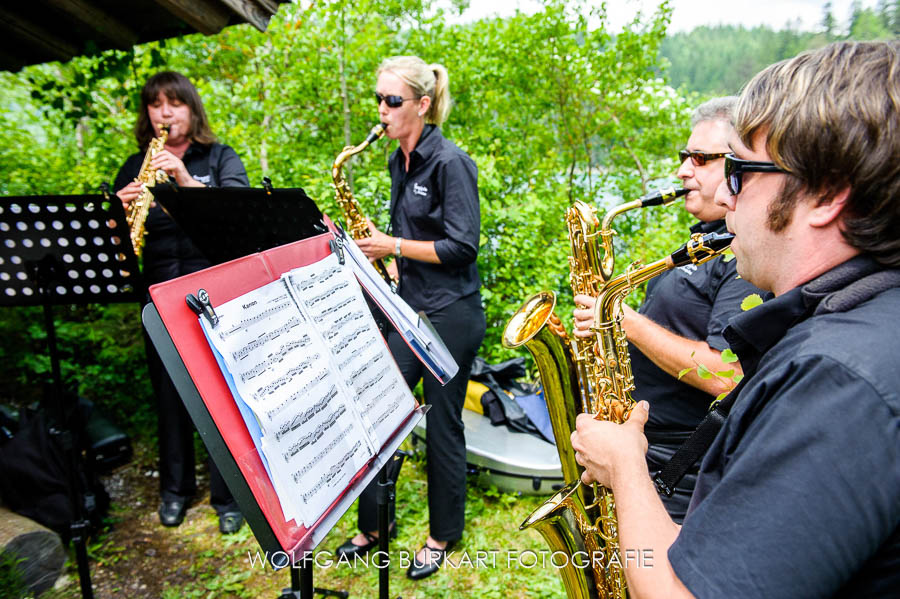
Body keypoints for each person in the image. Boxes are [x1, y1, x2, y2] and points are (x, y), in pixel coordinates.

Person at [571, 40, 900, 598]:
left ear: (824, 195)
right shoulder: (861, 322)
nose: (727, 195)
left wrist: (626, 467)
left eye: (740, 171)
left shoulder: (836, 380)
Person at [571, 97, 762, 521]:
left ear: (739, 166)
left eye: (700, 159)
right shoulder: (703, 244)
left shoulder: (743, 257)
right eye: (683, 157)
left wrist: (626, 321)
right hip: (644, 449)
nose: (682, 171)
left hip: (680, 469)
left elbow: (729, 376)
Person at [338, 55, 485, 581]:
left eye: (392, 101)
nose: (382, 110)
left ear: (422, 105)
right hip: (411, 308)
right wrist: (376, 254)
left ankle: (443, 536)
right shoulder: (397, 162)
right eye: (378, 99)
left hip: (452, 313)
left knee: (442, 425)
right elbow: (414, 245)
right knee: (380, 412)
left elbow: (463, 246)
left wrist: (392, 243)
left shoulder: (450, 162)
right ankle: (375, 525)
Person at [113, 71, 249, 534]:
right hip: (157, 298)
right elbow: (119, 247)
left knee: (220, 399)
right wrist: (120, 210)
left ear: (192, 109)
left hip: (212, 299)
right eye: (156, 105)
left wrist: (185, 180)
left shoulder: (220, 158)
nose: (165, 113)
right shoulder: (134, 163)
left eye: (174, 103)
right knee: (169, 400)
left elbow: (238, 218)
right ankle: (174, 492)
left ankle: (228, 497)